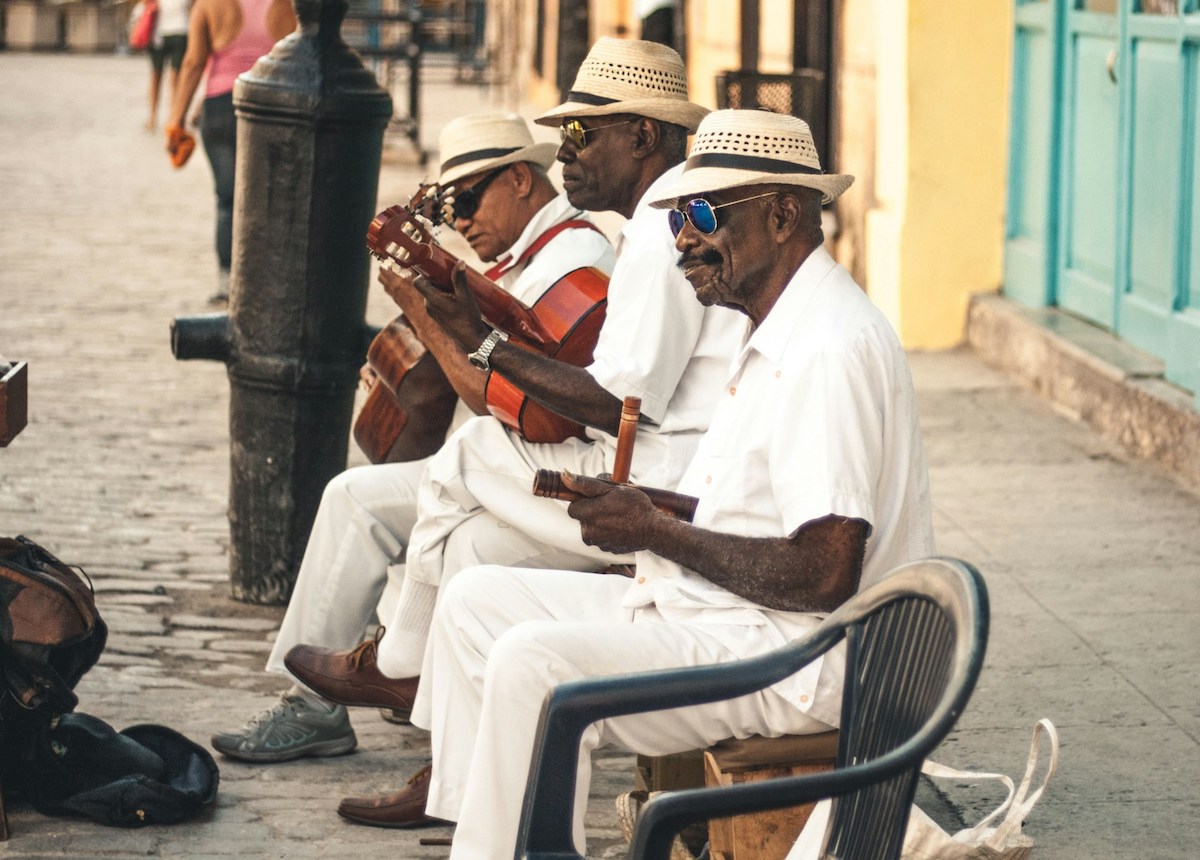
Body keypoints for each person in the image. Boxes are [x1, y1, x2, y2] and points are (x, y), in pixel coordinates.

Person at [342, 108, 935, 856]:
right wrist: (650, 509)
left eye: (702, 213)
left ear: (783, 215)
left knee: (533, 663)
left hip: (802, 656)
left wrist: (657, 532)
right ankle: (486, 829)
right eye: (678, 216)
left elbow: (825, 570)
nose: (683, 237)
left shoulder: (826, 350)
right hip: (744, 617)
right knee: (473, 601)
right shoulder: (778, 321)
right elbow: (761, 513)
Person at [282, 37, 746, 826]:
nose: (570, 153)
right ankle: (458, 796)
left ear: (641, 136)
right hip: (650, 465)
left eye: (582, 135)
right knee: (469, 559)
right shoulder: (646, 232)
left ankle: (398, 661)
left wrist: (481, 341)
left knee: (468, 451)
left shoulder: (666, 235)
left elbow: (612, 404)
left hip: (657, 490)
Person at [208, 113, 616, 763]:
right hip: (503, 459)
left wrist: (429, 317)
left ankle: (365, 685)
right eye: (448, 209)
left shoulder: (573, 259)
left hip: (547, 466)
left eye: (467, 200)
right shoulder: (522, 258)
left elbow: (516, 404)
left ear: (519, 179)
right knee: (359, 495)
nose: (459, 222)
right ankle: (341, 690)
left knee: (364, 502)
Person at [164, 0, 295, 305]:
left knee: (227, 199)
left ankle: (226, 284)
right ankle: (269, 280)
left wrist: (176, 120)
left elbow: (194, 61)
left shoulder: (209, 3)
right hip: (274, 106)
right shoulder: (289, 4)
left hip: (222, 105)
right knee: (273, 198)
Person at [144, 0, 190, 131]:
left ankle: (162, 117)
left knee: (161, 76)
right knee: (167, 76)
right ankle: (166, 117)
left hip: (173, 30)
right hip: (167, 31)